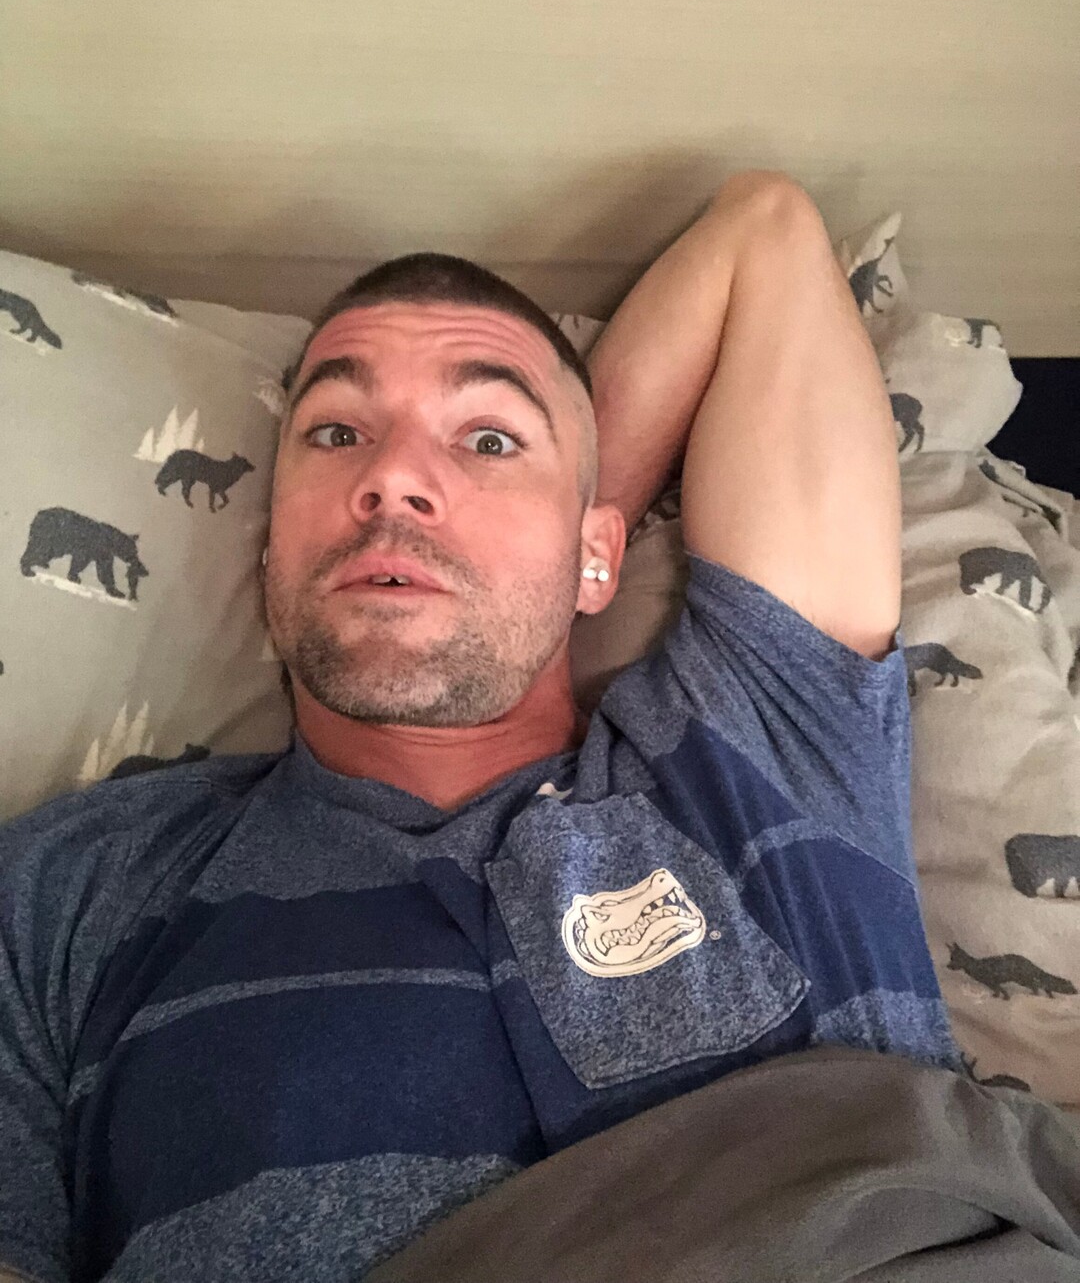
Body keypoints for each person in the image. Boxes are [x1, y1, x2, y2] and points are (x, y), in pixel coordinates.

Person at [0, 171, 961, 1283]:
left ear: (601, 550)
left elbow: (767, 233)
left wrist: (549, 558)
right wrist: (506, 527)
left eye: (489, 440)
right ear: (268, 549)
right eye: (338, 432)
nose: (392, 477)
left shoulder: (759, 737)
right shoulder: (70, 890)